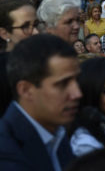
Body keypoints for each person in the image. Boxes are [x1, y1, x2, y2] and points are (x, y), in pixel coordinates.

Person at [0, 34, 82, 170]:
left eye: (76, 80)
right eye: (62, 84)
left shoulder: (56, 132)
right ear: (26, 90)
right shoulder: (6, 154)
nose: (77, 93)